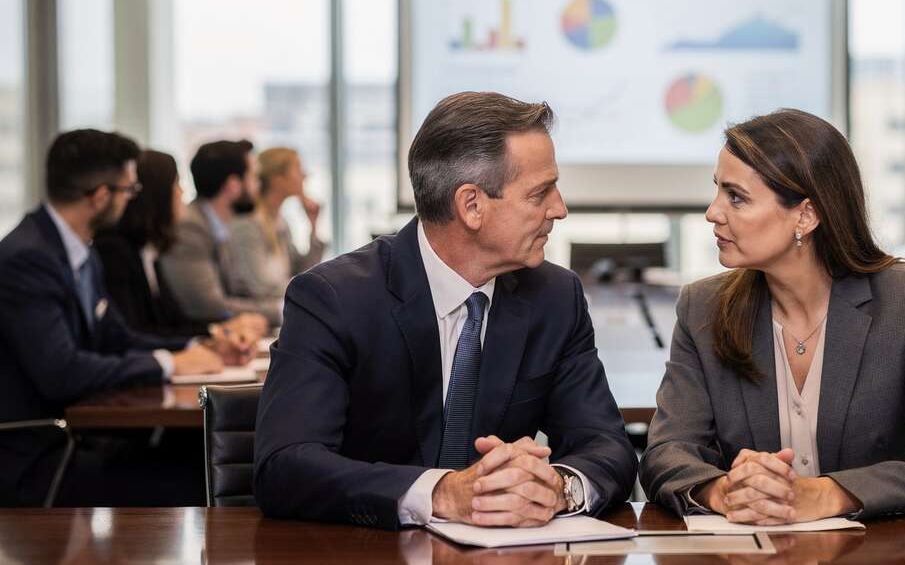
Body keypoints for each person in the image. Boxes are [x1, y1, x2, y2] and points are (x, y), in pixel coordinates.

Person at [254, 92, 636, 529]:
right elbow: (284, 467)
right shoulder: (333, 299)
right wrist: (441, 493)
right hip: (367, 563)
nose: (560, 209)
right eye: (540, 193)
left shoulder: (555, 296)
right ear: (471, 205)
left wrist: (557, 487)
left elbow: (608, 446)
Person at [640, 109, 905, 523]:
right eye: (718, 191)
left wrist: (826, 495)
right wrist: (725, 491)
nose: (713, 212)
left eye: (736, 196)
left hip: (881, 562)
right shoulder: (703, 307)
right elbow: (664, 453)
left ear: (805, 215)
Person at [0, 130, 251, 506]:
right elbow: (62, 373)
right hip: (40, 456)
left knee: (208, 459)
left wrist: (200, 346)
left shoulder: (77, 250)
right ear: (101, 196)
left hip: (76, 438)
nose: (131, 200)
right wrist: (166, 363)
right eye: (128, 191)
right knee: (208, 475)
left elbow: (119, 337)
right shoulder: (29, 258)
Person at [96, 150, 269, 340]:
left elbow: (175, 320)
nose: (182, 192)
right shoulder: (114, 253)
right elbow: (135, 333)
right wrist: (217, 334)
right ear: (156, 195)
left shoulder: (146, 251)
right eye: (176, 184)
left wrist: (221, 331)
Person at [160, 140, 283, 326]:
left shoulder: (219, 225)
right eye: (253, 177)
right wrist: (281, 312)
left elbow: (241, 290)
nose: (258, 186)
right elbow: (209, 307)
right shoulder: (190, 229)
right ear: (233, 185)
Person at [227, 147, 325, 301]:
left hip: (280, 310)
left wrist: (313, 227)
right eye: (297, 168)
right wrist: (309, 291)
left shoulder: (280, 222)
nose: (305, 175)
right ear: (277, 179)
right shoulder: (247, 224)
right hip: (263, 317)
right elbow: (260, 289)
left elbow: (302, 272)